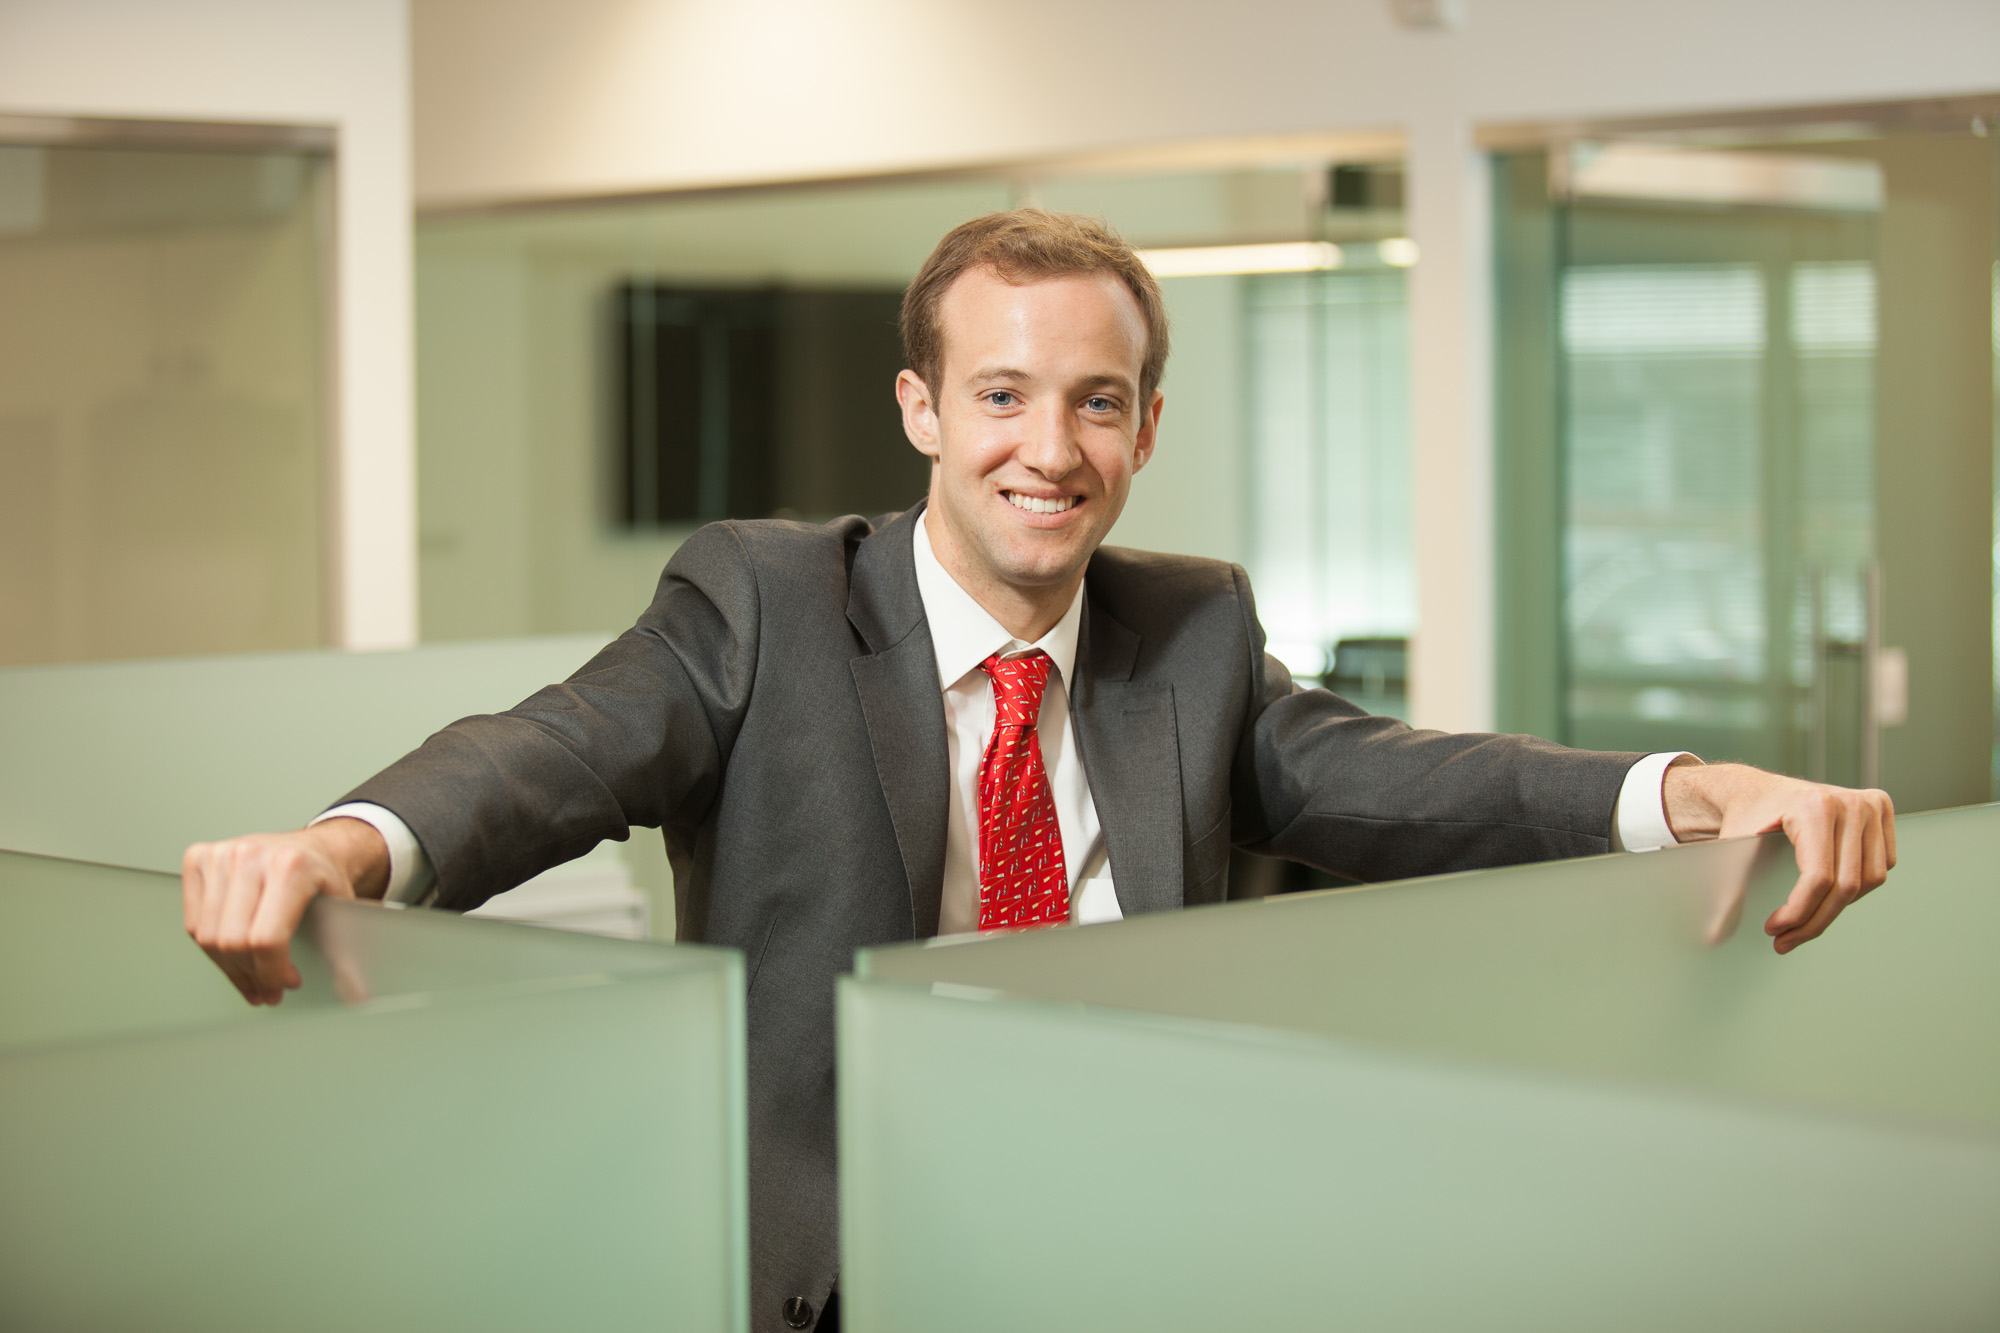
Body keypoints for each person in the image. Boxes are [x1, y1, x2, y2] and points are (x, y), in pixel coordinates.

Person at [182, 209, 1896, 1332]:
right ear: (923, 407)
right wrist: (349, 844)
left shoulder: (1191, 629)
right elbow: (550, 753)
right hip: (839, 1271)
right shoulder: (765, 604)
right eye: (1003, 393)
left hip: (1133, 1242)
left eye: (1097, 402)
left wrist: (1692, 795)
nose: (1049, 450)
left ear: (1147, 428)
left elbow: (1401, 778)